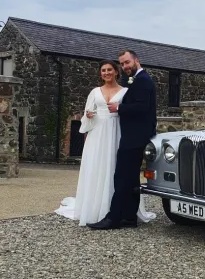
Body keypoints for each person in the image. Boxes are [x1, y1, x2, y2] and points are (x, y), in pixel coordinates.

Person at [54, 59, 156, 227]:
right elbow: (86, 117)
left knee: (115, 169)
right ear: (100, 74)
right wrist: (88, 115)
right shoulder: (95, 92)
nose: (106, 73)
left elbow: (133, 113)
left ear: (116, 72)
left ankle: (115, 210)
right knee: (96, 167)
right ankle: (94, 209)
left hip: (117, 132)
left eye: (110, 70)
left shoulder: (125, 91)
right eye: (103, 70)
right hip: (97, 134)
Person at [86, 49, 158, 230]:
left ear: (136, 60)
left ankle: (114, 218)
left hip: (135, 137)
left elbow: (142, 107)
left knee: (121, 177)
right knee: (132, 178)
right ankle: (129, 217)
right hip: (135, 135)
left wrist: (120, 107)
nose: (125, 66)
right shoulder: (139, 80)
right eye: (123, 63)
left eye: (127, 62)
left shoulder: (143, 81)